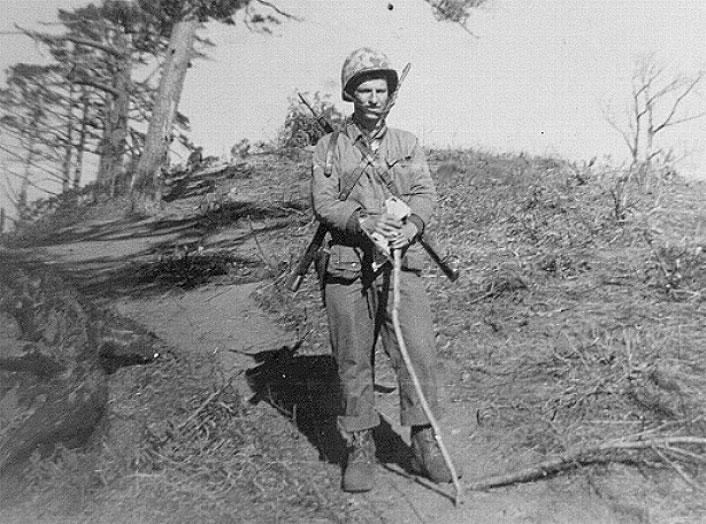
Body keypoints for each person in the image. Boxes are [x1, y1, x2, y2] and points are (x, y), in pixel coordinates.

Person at [310, 47, 461, 493]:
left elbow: (425, 195)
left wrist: (411, 225)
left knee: (418, 354)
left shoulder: (407, 143)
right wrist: (362, 221)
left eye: (381, 90)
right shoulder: (328, 147)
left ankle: (424, 441)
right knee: (353, 360)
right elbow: (324, 204)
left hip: (400, 265)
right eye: (364, 90)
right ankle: (360, 446)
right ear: (350, 95)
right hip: (347, 267)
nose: (374, 98)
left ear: (390, 95)